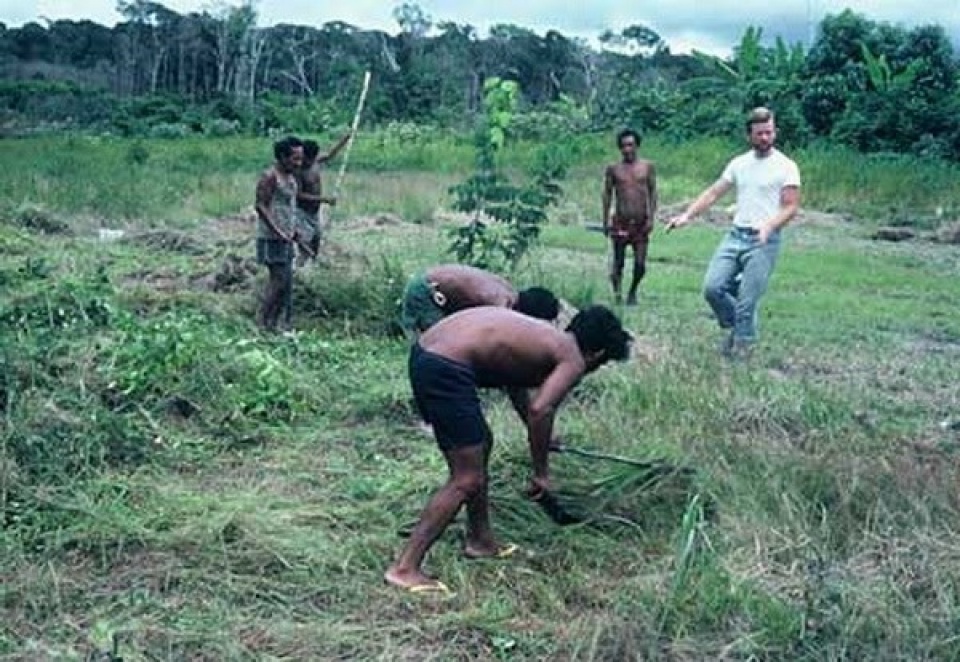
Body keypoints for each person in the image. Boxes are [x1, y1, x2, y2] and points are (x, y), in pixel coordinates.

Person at [384, 305, 632, 594]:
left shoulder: (545, 339)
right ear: (597, 354)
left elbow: (516, 386)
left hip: (428, 353)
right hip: (445, 366)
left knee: (481, 446)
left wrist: (540, 434)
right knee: (466, 478)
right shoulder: (573, 359)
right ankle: (405, 568)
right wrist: (541, 473)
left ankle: (480, 540)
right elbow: (542, 409)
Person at [665, 107, 801, 359]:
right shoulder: (739, 164)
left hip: (764, 241)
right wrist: (687, 215)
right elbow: (714, 193)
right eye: (759, 133)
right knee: (713, 288)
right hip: (736, 235)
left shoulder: (786, 166)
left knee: (747, 304)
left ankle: (741, 352)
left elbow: (791, 206)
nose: (765, 138)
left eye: (769, 132)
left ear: (775, 132)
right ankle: (738, 329)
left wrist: (769, 226)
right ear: (749, 135)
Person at [399, 264, 560, 337]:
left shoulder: (508, 291)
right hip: (426, 291)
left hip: (439, 288)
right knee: (435, 343)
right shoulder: (498, 303)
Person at [602, 128, 657, 306]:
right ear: (620, 148)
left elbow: (653, 192)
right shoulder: (614, 169)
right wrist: (605, 220)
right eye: (624, 146)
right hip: (621, 222)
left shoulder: (647, 167)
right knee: (618, 262)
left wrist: (651, 218)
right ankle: (618, 294)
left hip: (641, 223)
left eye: (631, 145)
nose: (627, 149)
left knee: (640, 264)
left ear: (637, 146)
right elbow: (607, 194)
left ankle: (632, 291)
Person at [255, 136, 302, 333]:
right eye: (295, 158)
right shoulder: (270, 177)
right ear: (282, 157)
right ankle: (262, 322)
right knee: (278, 280)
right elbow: (261, 206)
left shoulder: (290, 178)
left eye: (300, 159)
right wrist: (278, 231)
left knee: (286, 282)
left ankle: (274, 324)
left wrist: (293, 229)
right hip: (271, 237)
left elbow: (289, 207)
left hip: (286, 237)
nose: (298, 163)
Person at [294, 132, 353, 265]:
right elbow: (299, 195)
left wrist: (344, 140)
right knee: (305, 241)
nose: (308, 162)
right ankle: (299, 267)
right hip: (302, 212)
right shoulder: (298, 171)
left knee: (316, 239)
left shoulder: (315, 162)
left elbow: (330, 155)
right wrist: (324, 199)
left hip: (314, 212)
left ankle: (313, 265)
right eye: (306, 159)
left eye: (312, 159)